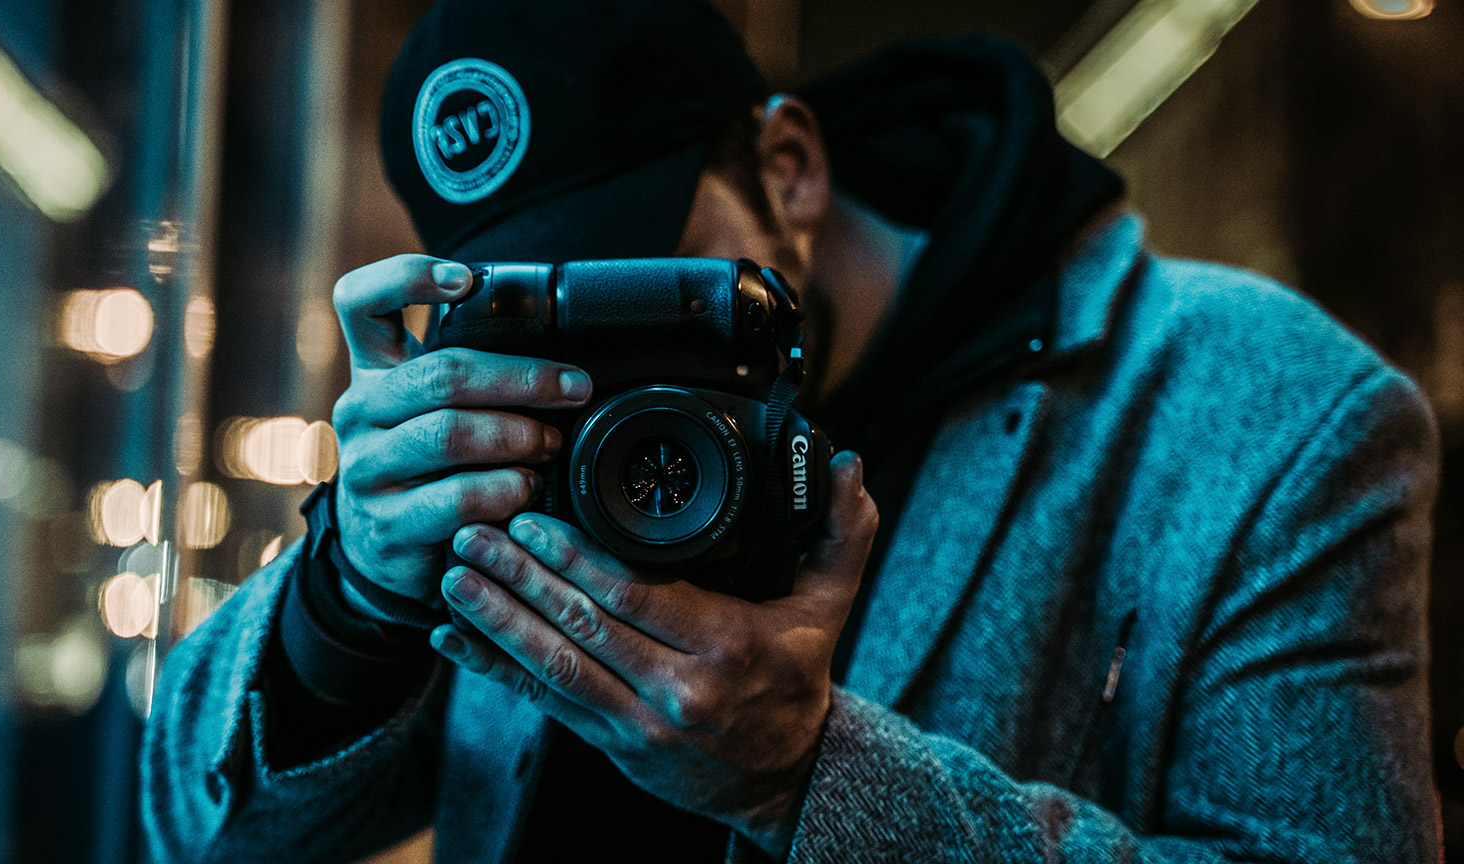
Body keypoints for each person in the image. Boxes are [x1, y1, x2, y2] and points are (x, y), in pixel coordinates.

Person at [140, 0, 1443, 861]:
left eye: (638, 274)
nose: (595, 347)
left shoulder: (1263, 410)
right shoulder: (511, 408)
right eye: (547, 304)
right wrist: (349, 596)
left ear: (789, 170)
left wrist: (806, 779)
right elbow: (207, 831)